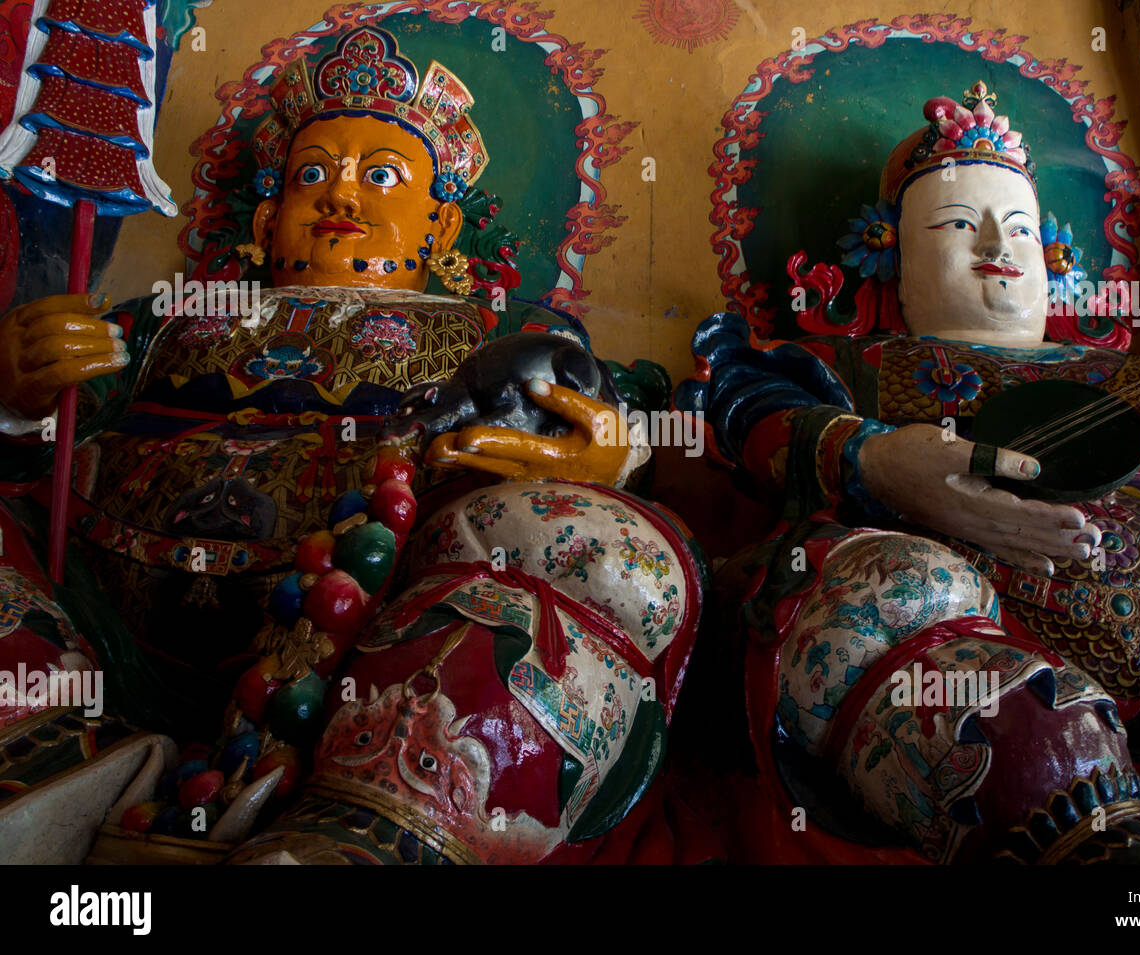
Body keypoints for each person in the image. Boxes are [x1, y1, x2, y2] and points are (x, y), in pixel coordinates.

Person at [0, 26, 704, 864]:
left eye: (380, 176)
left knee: (583, 540)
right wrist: (17, 393)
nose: (341, 196)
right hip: (102, 627)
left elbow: (611, 416)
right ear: (268, 220)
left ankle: (365, 829)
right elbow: (46, 444)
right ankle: (54, 763)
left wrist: (608, 461)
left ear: (440, 228)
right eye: (311, 176)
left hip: (365, 637)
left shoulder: (499, 330)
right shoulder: (168, 320)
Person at [675, 81, 1140, 862]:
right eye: (960, 224)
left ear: (1054, 255)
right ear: (889, 250)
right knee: (881, 596)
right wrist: (877, 460)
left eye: (1021, 229)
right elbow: (742, 406)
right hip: (983, 650)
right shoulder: (867, 369)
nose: (997, 245)